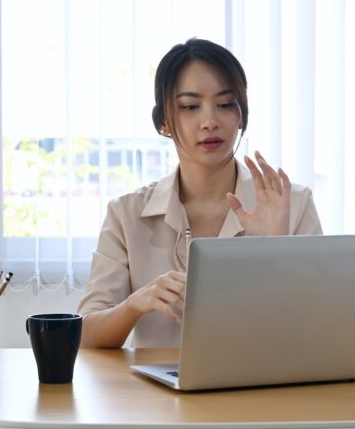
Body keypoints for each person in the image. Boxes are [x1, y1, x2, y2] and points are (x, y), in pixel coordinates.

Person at [77, 38, 322, 348]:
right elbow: (85, 334)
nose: (210, 122)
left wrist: (272, 251)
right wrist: (135, 303)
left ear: (241, 115)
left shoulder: (293, 205)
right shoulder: (126, 214)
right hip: (158, 394)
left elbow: (316, 330)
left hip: (261, 391)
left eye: (225, 104)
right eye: (190, 107)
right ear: (163, 122)